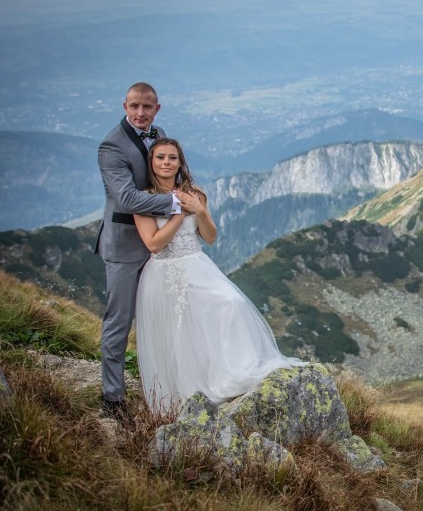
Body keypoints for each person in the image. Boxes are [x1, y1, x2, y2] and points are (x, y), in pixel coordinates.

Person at [133, 138, 306, 413]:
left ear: (180, 162)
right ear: (151, 162)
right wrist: (178, 214)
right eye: (160, 158)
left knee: (230, 304)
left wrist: (199, 210)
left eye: (172, 158)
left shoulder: (194, 193)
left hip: (197, 265)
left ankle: (229, 374)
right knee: (179, 332)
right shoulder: (143, 200)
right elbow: (153, 243)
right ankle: (185, 396)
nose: (166, 163)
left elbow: (210, 237)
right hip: (164, 272)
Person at [95, 82, 181, 420]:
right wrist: (176, 204)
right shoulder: (110, 147)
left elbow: (165, 173)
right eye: (134, 106)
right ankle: (113, 398)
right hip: (124, 245)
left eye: (147, 107)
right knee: (120, 319)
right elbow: (127, 199)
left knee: (158, 315)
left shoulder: (158, 134)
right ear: (124, 106)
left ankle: (162, 387)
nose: (140, 113)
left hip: (158, 242)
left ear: (157, 108)